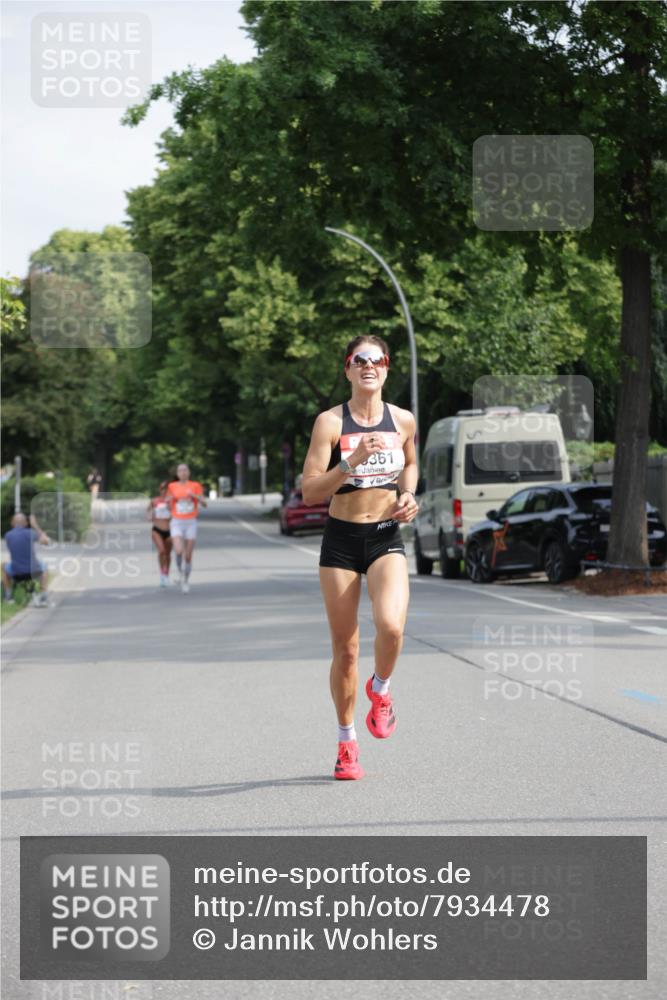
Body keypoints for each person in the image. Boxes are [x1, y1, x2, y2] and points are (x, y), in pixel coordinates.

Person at [302, 335, 419, 780]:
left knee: (392, 627)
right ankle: (347, 741)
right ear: (347, 369)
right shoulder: (330, 423)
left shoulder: (403, 420)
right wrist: (351, 463)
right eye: (359, 360)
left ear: (387, 369)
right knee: (346, 650)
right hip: (341, 541)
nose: (369, 366)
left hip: (386, 534)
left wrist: (408, 495)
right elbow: (310, 490)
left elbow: (410, 464)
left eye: (377, 360)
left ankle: (381, 689)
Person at [166, 463, 207, 593]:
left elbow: (204, 504)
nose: (183, 472)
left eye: (185, 470)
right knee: (178, 550)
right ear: (177, 474)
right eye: (180, 470)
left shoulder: (195, 486)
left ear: (188, 472)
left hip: (191, 522)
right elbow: (168, 503)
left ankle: (186, 580)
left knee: (188, 555)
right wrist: (169, 501)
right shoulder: (172, 486)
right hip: (177, 521)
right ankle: (179, 571)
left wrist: (193, 496)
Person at [2, 512, 51, 607]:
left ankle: (8, 597)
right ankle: (44, 595)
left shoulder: (8, 535)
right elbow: (46, 541)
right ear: (25, 523)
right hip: (34, 571)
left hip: (16, 572)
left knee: (4, 566)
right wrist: (35, 525)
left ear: (12, 523)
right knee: (44, 566)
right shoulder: (30, 533)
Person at [146, 481, 173, 587]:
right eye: (162, 489)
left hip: (169, 530)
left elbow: (178, 513)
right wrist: (149, 517)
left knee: (167, 554)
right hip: (157, 529)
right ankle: (162, 574)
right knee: (161, 551)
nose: (164, 491)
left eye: (166, 489)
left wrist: (170, 507)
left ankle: (166, 574)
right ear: (160, 490)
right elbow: (147, 511)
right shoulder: (154, 501)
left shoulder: (171, 502)